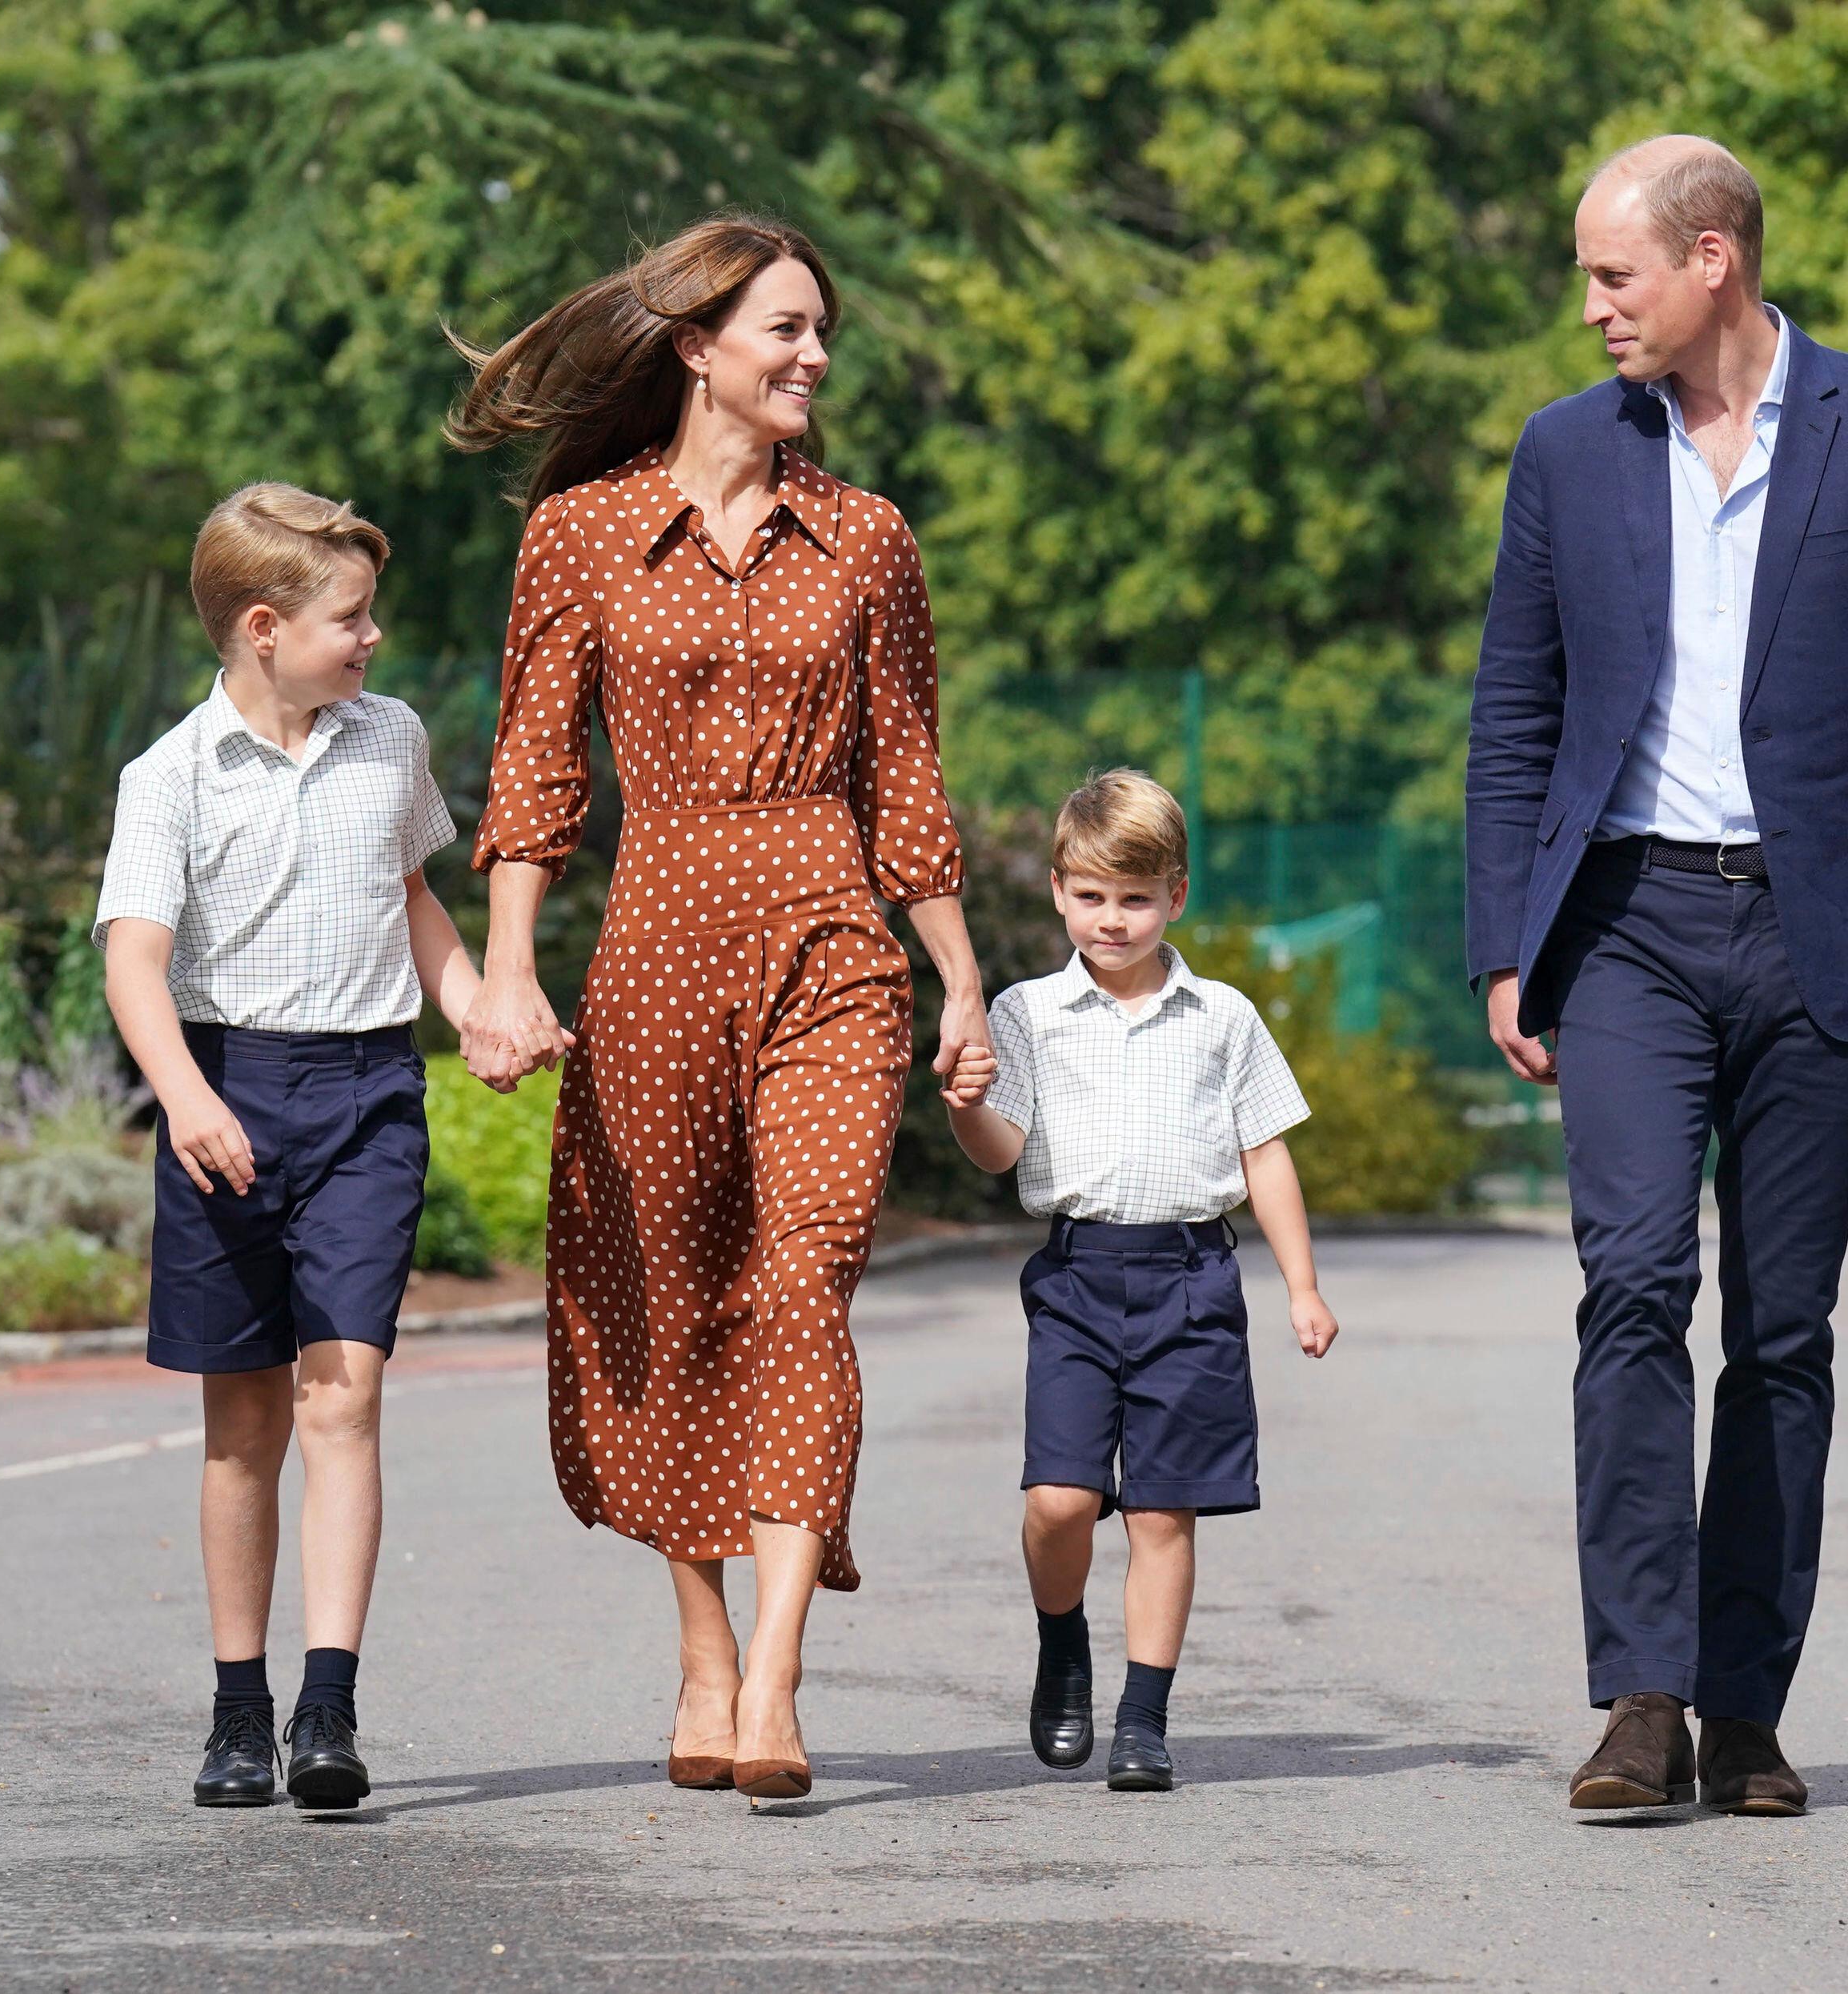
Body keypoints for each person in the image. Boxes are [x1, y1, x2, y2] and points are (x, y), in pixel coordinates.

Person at [1464, 134, 1848, 1815]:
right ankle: (1642, 1698)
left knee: (1781, 1330)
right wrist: (1508, 941)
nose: (1590, 307)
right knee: (1633, 1286)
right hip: (1631, 928)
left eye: (1612, 273)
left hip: (1829, 929)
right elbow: (1512, 719)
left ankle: (1747, 1705)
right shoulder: (1564, 456)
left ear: (1711, 259)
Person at [447, 214, 992, 1802]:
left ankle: (775, 1682)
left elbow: (908, 781)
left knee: (805, 1282)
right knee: (668, 1293)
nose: (813, 357)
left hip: (834, 942)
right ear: (697, 346)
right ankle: (699, 1653)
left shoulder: (870, 535)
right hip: (658, 946)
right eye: (784, 331)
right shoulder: (583, 538)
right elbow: (535, 780)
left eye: (820, 332)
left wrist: (960, 976)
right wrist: (504, 968)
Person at [98, 483, 477, 1810]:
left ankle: (329, 1704)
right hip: (225, 1092)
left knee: (346, 1390)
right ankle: (237, 1709)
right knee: (244, 1418)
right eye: (351, 619)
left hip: (370, 1090)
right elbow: (134, 963)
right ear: (265, 627)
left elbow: (416, 896)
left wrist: (476, 1005)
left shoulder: (391, 740)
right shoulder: (172, 779)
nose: (372, 640)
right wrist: (186, 1098)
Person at [943, 769, 1338, 1791]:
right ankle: (1061, 1639)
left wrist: (1299, 1284)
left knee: (1165, 1510)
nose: (1110, 919)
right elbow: (998, 1152)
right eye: (1089, 896)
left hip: (1192, 1278)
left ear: (1176, 896)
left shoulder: (1222, 1016)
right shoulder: (1025, 1014)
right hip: (1078, 1279)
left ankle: (1143, 1718)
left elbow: (1266, 1154)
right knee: (1059, 1501)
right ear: (1055, 890)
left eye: (1133, 897)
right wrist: (962, 1103)